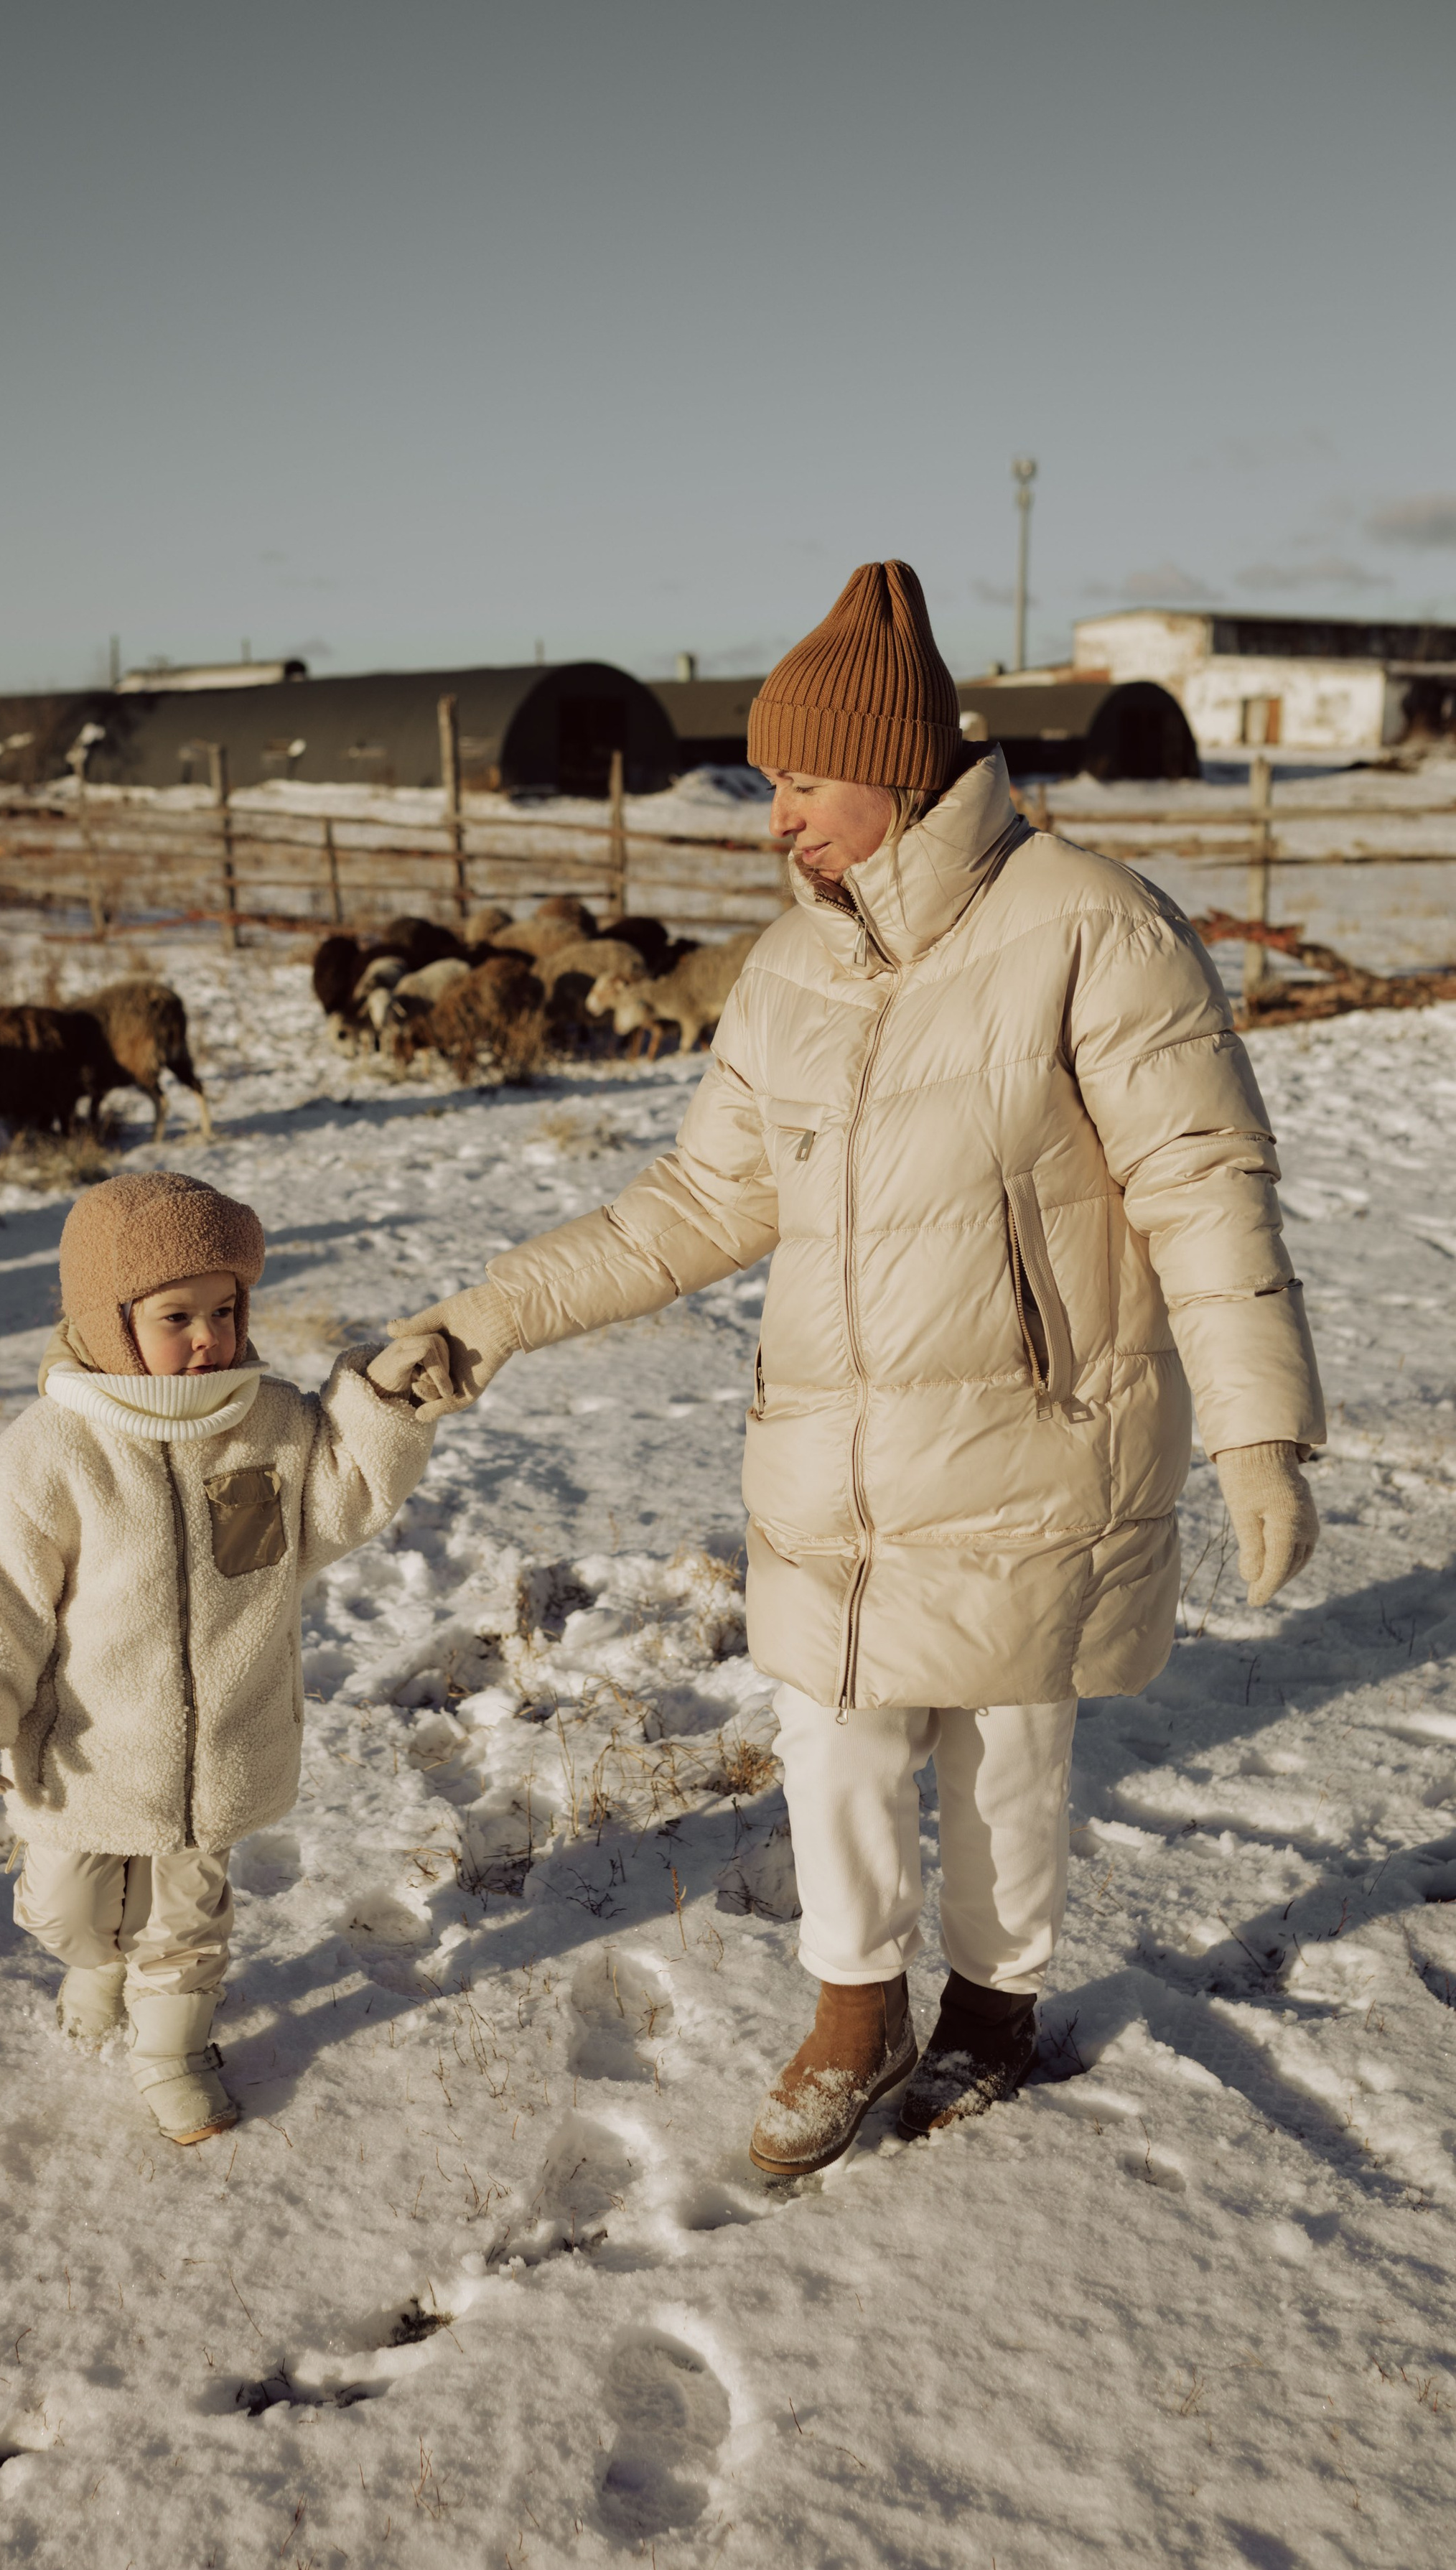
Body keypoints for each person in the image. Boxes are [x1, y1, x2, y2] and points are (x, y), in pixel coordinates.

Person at [385, 560, 1325, 2180]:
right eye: (769, 785)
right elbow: (696, 1201)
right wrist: (492, 1314)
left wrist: (1257, 1430)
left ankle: (993, 2009)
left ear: (897, 768)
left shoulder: (1089, 924)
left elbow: (1200, 1186)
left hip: (1034, 1437)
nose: (777, 822)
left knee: (1004, 1750)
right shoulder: (787, 970)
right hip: (827, 1450)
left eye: (804, 785)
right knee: (831, 1736)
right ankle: (851, 2009)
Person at [0, 1170, 434, 2146]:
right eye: (175, 1316)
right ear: (110, 1324)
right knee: (70, 1912)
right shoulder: (55, 1448)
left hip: (223, 1741)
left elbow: (340, 1493)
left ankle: (172, 2052)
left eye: (224, 1311)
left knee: (185, 1920)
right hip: (87, 1752)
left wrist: (383, 1400)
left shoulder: (266, 1422)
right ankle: (95, 1965)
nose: (207, 1339)